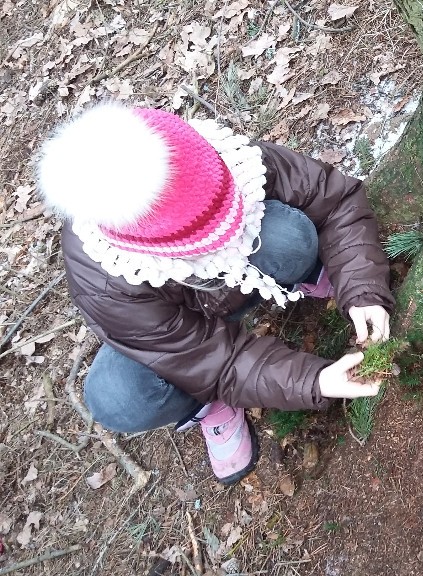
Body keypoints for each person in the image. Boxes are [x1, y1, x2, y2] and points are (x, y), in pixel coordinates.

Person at [35, 103, 393, 485]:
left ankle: (305, 276)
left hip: (233, 284)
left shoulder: (213, 155)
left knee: (285, 235)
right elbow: (215, 362)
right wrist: (314, 381)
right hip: (178, 334)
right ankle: (208, 403)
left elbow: (334, 199)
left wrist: (362, 287)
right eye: (217, 238)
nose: (234, 235)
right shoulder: (106, 279)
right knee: (117, 397)